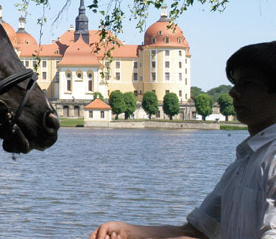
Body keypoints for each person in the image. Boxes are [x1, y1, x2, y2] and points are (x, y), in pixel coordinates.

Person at [90, 41, 276, 239]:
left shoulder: (271, 157)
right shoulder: (246, 160)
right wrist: (126, 231)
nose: (233, 92)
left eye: (248, 84)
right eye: (235, 83)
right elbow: (197, 231)